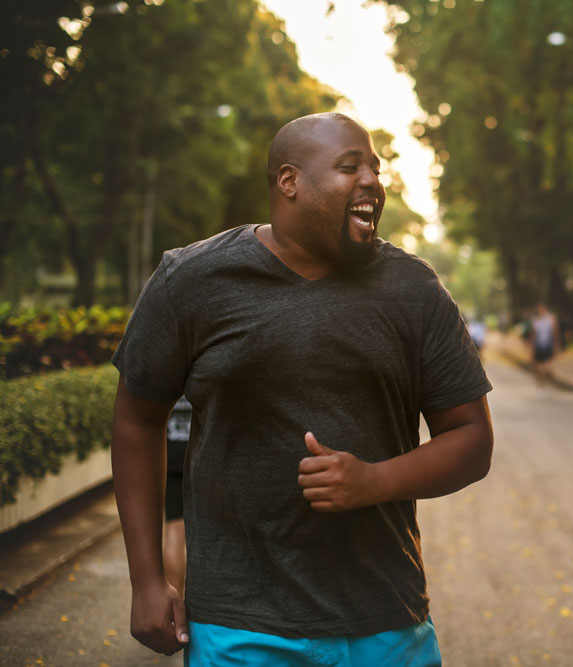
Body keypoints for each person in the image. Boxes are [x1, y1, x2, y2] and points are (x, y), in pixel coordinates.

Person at [111, 112, 493, 665]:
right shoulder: (190, 281)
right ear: (289, 182)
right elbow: (136, 420)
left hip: (384, 624)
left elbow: (472, 438)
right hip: (239, 629)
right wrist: (146, 580)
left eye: (375, 168)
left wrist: (374, 480)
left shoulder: (414, 290)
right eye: (348, 167)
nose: (371, 181)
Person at [162, 395, 191, 595]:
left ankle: (176, 602)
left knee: (174, 532)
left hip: (170, 457)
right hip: (201, 457)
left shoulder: (169, 365)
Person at [529, 303, 559, 390]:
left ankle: (548, 382)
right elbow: (533, 336)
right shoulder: (535, 321)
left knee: (548, 367)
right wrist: (532, 348)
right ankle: (541, 384)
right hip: (538, 346)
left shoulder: (551, 319)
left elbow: (555, 334)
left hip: (548, 346)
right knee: (538, 367)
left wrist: (556, 346)